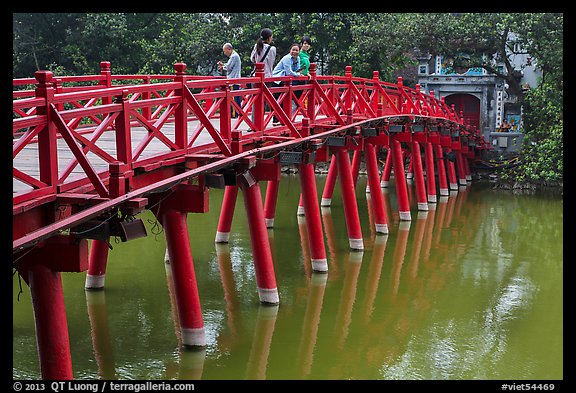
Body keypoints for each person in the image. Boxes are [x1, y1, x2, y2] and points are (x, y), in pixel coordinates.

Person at [271, 43, 309, 125]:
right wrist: (298, 74)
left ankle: (287, 117)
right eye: (293, 50)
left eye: (296, 50)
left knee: (297, 90)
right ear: (290, 50)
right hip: (278, 79)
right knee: (279, 101)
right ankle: (276, 120)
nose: (294, 52)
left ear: (299, 51)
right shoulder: (287, 58)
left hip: (287, 81)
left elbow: (297, 71)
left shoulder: (298, 58)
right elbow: (289, 72)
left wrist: (301, 74)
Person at [218, 43, 242, 118]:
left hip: (233, 80)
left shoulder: (234, 56)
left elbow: (229, 67)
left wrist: (222, 67)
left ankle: (234, 114)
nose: (225, 53)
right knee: (236, 98)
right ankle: (238, 113)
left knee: (233, 99)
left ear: (229, 49)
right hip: (235, 79)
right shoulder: (234, 56)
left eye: (225, 51)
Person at [294, 36, 312, 106]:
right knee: (296, 97)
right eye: (305, 43)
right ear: (301, 44)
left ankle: (294, 113)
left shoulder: (307, 55)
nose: (306, 45)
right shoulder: (299, 53)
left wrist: (307, 72)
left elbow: (305, 66)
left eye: (308, 44)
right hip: (298, 77)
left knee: (301, 97)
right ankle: (291, 114)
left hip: (304, 78)